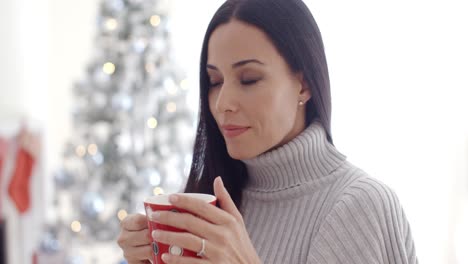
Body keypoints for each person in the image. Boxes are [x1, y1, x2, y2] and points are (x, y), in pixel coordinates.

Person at [117, 0, 418, 263]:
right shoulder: (212, 198)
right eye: (215, 81)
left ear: (304, 84)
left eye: (248, 79)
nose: (223, 104)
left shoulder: (360, 207)